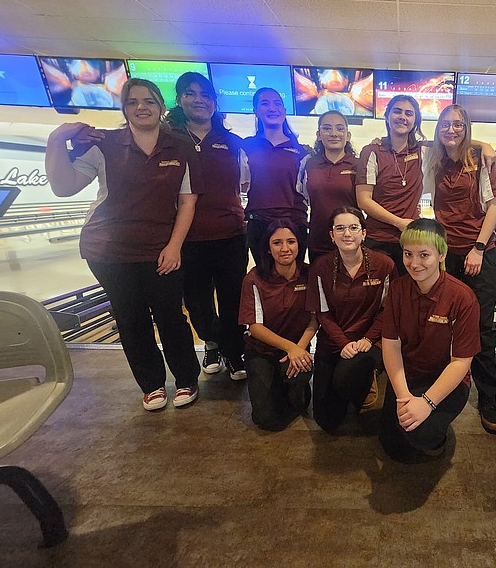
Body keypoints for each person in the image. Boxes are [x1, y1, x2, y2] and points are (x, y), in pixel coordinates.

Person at [44, 78, 203, 411]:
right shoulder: (105, 143)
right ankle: (152, 385)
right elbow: (63, 187)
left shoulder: (180, 146)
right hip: (108, 249)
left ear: (161, 107)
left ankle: (187, 379)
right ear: (124, 108)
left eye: (148, 101)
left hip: (161, 247)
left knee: (170, 317)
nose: (141, 107)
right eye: (132, 102)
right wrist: (57, 139)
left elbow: (187, 201)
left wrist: (174, 246)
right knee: (131, 319)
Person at [423, 104, 496, 434]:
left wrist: (478, 248)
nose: (451, 130)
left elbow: (494, 206)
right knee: (445, 323)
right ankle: (448, 385)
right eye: (446, 124)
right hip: (446, 256)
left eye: (458, 124)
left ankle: (488, 396)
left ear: (467, 127)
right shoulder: (434, 159)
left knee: (481, 327)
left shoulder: (481, 160)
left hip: (478, 255)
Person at [166, 72, 248, 380]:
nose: (199, 99)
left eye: (206, 94)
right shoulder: (169, 139)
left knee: (232, 300)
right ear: (180, 100)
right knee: (197, 304)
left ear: (214, 102)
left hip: (230, 234)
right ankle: (214, 342)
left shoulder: (230, 141)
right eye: (191, 93)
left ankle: (234, 350)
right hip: (187, 237)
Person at [378, 218, 480, 462]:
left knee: (421, 435)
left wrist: (427, 403)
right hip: (409, 375)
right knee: (391, 446)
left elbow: (460, 363)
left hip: (447, 379)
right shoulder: (398, 289)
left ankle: (438, 433)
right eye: (408, 254)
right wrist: (404, 397)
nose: (414, 263)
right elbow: (391, 346)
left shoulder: (462, 297)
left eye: (424, 255)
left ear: (442, 254)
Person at [306, 207, 397, 431]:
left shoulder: (384, 265)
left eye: (354, 227)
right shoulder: (321, 267)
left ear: (364, 233)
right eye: (340, 228)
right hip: (333, 343)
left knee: (346, 379)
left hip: (370, 343)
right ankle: (351, 383)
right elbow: (322, 313)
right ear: (331, 235)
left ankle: (368, 376)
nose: (347, 234)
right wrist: (343, 343)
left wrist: (368, 339)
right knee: (327, 420)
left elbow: (389, 310)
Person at [238, 219, 318, 431]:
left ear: (299, 245)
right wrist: (289, 348)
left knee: (298, 401)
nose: (285, 249)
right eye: (277, 243)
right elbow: (255, 327)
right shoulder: (254, 278)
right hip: (262, 352)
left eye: (291, 241)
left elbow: (314, 320)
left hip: (298, 348)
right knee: (266, 420)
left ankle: (297, 390)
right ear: (268, 247)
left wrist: (298, 349)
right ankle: (277, 387)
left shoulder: (310, 275)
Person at [356, 95, 425, 275]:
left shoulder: (423, 150)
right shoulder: (372, 151)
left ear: (415, 120)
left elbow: (455, 143)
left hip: (409, 239)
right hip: (378, 239)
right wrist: (399, 222)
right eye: (397, 111)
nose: (403, 116)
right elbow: (364, 201)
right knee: (378, 299)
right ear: (387, 116)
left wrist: (484, 146)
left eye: (409, 113)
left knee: (407, 295)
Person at [242, 87, 309, 263]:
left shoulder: (301, 150)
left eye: (277, 103)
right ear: (255, 111)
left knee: (294, 279)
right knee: (265, 280)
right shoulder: (246, 146)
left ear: (284, 111)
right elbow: (240, 184)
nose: (272, 108)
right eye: (265, 103)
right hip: (259, 223)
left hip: (294, 222)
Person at [297, 111, 358, 262]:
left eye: (339, 128)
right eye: (327, 128)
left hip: (349, 240)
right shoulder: (309, 164)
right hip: (318, 239)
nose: (334, 133)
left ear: (348, 135)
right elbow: (301, 196)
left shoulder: (358, 164)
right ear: (318, 134)